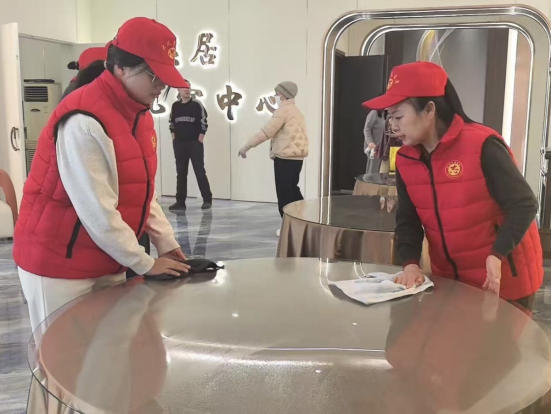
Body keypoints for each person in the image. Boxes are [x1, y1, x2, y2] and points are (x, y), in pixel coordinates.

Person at [13, 17, 190, 331]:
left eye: (165, 77)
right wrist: (145, 263)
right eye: (154, 76)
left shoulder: (139, 114)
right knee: (60, 356)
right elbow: (96, 211)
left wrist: (165, 241)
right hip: (58, 264)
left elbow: (143, 193)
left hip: (107, 256)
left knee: (110, 352)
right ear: (120, 67)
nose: (161, 87)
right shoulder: (84, 120)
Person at [363, 61, 543, 308]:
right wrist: (411, 264)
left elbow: (524, 204)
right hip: (451, 281)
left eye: (399, 116)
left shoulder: (482, 145)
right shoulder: (405, 160)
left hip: (502, 279)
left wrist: (497, 253)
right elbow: (408, 220)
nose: (393, 126)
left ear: (429, 109)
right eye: (390, 117)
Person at [238, 82, 308, 222]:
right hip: (297, 157)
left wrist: (247, 146)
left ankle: (288, 224)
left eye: (277, 94)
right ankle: (302, 220)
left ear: (283, 95)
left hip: (284, 157)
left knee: (284, 193)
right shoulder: (296, 111)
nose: (275, 96)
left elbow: (267, 132)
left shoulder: (283, 111)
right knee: (293, 189)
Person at [168, 83, 212, 211]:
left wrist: (200, 139)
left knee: (199, 171)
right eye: (183, 87)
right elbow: (171, 123)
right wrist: (174, 138)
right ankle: (180, 202)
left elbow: (204, 122)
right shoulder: (175, 106)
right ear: (178, 90)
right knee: (181, 173)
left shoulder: (197, 104)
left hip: (194, 143)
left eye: (188, 87)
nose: (186, 90)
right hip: (179, 144)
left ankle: (207, 199)